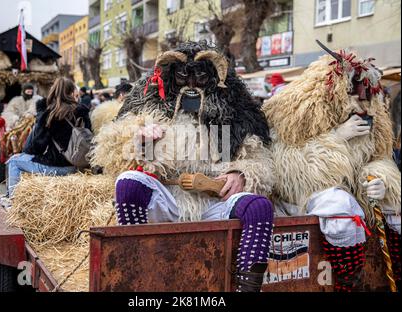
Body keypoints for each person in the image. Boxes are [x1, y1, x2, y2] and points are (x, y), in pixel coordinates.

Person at [90, 41, 275, 292]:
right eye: (182, 77)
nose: (190, 85)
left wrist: (241, 173)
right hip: (170, 199)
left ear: (213, 78)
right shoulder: (151, 113)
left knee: (258, 207)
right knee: (128, 182)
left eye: (199, 76)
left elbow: (258, 157)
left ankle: (247, 289)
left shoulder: (234, 118)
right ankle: (140, 273)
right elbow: (119, 154)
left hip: (213, 202)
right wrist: (141, 140)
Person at [263, 44, 401, 291]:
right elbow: (286, 169)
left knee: (396, 203)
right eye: (354, 93)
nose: (361, 102)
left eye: (366, 94)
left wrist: (380, 179)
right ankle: (348, 281)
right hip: (302, 198)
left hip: (353, 191)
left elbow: (378, 156)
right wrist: (336, 137)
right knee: (339, 205)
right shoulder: (295, 113)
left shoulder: (373, 120)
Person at [5, 77, 92, 201]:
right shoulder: (82, 111)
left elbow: (35, 148)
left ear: (53, 92)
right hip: (78, 166)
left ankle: (12, 201)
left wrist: (40, 116)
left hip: (57, 167)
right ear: (72, 93)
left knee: (13, 162)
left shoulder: (50, 113)